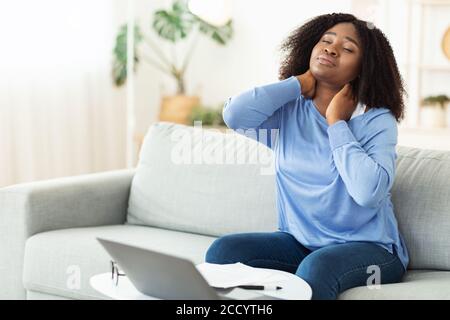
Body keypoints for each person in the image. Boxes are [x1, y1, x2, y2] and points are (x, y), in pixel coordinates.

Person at [205, 13, 409, 300]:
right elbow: (235, 115)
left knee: (318, 267)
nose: (331, 49)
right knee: (224, 251)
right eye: (325, 41)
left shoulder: (376, 120)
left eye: (348, 48)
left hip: (372, 250)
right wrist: (298, 84)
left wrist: (336, 123)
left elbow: (368, 193)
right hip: (300, 244)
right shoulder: (290, 111)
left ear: (364, 68)